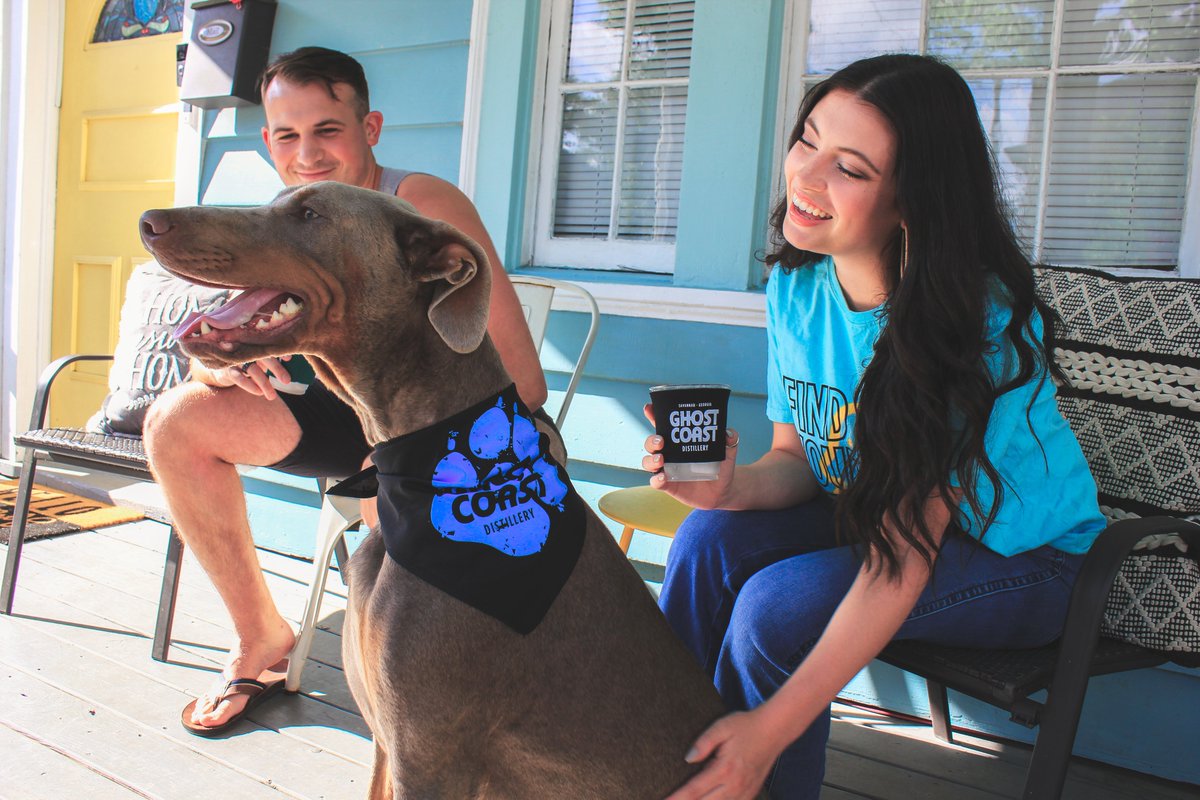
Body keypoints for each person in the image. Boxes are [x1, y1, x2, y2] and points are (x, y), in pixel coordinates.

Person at [642, 54, 1105, 800]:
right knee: (705, 540)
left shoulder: (971, 325)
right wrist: (730, 488)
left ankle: (744, 775)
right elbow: (798, 460)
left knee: (774, 610)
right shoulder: (798, 284)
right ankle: (659, 766)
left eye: (850, 168)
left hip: (1027, 561)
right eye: (808, 140)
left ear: (911, 200)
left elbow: (903, 553)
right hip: (876, 518)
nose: (806, 175)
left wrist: (768, 732)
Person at [143, 46, 550, 734]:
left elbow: (523, 377)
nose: (308, 153)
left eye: (327, 129)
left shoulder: (417, 206)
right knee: (175, 424)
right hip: (334, 414)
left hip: (430, 430)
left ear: (370, 128)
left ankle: (411, 704)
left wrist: (400, 445)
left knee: (388, 487)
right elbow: (221, 343)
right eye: (286, 135)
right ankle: (260, 639)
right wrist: (219, 368)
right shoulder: (290, 214)